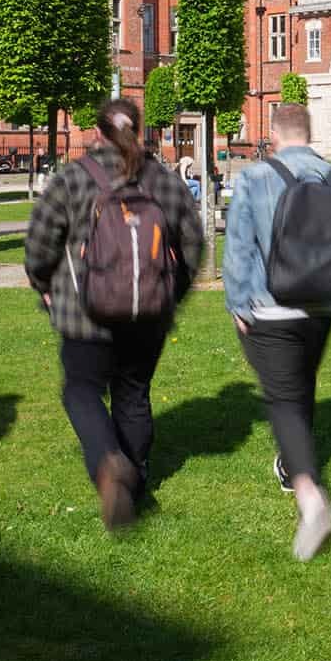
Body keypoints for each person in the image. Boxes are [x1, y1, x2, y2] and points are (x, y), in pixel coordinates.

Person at [25, 98, 203, 531]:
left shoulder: (72, 179)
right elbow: (193, 246)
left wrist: (44, 285)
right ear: (138, 130)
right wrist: (168, 296)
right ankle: (134, 487)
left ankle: (108, 463)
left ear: (98, 132)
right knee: (133, 394)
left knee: (82, 391)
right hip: (148, 315)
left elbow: (39, 246)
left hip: (85, 314)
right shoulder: (163, 179)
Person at [224, 102, 331, 561]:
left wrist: (237, 301)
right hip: (322, 306)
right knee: (300, 383)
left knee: (283, 397)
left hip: (270, 308)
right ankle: (291, 466)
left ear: (273, 133)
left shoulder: (252, 177)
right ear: (310, 132)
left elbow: (238, 249)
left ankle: (310, 498)